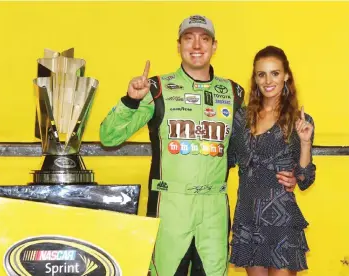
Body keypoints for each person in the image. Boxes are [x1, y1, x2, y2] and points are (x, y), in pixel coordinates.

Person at [99, 15, 296, 276]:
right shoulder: (157, 88)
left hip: (214, 209)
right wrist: (131, 100)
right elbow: (109, 137)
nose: (196, 45)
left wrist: (289, 174)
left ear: (214, 46)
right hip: (170, 206)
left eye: (204, 39)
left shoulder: (233, 93)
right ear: (178, 45)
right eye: (188, 38)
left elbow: (252, 151)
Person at [227, 45, 316, 276]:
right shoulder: (241, 118)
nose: (268, 80)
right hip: (247, 217)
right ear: (255, 78)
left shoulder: (298, 120)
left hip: (281, 221)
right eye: (261, 74)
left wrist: (305, 143)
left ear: (286, 75)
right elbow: (226, 159)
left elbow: (305, 179)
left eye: (275, 73)